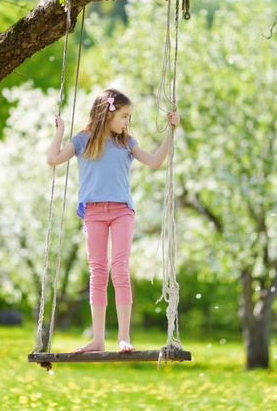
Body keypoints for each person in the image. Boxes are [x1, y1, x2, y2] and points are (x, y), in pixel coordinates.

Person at [47, 88, 180, 353]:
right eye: (124, 116)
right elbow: (53, 159)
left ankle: (124, 336)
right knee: (97, 272)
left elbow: (154, 162)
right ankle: (97, 339)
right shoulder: (83, 139)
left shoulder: (126, 142)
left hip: (121, 212)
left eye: (129, 117)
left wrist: (171, 132)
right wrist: (60, 131)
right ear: (108, 112)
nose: (127, 122)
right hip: (94, 213)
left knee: (119, 270)